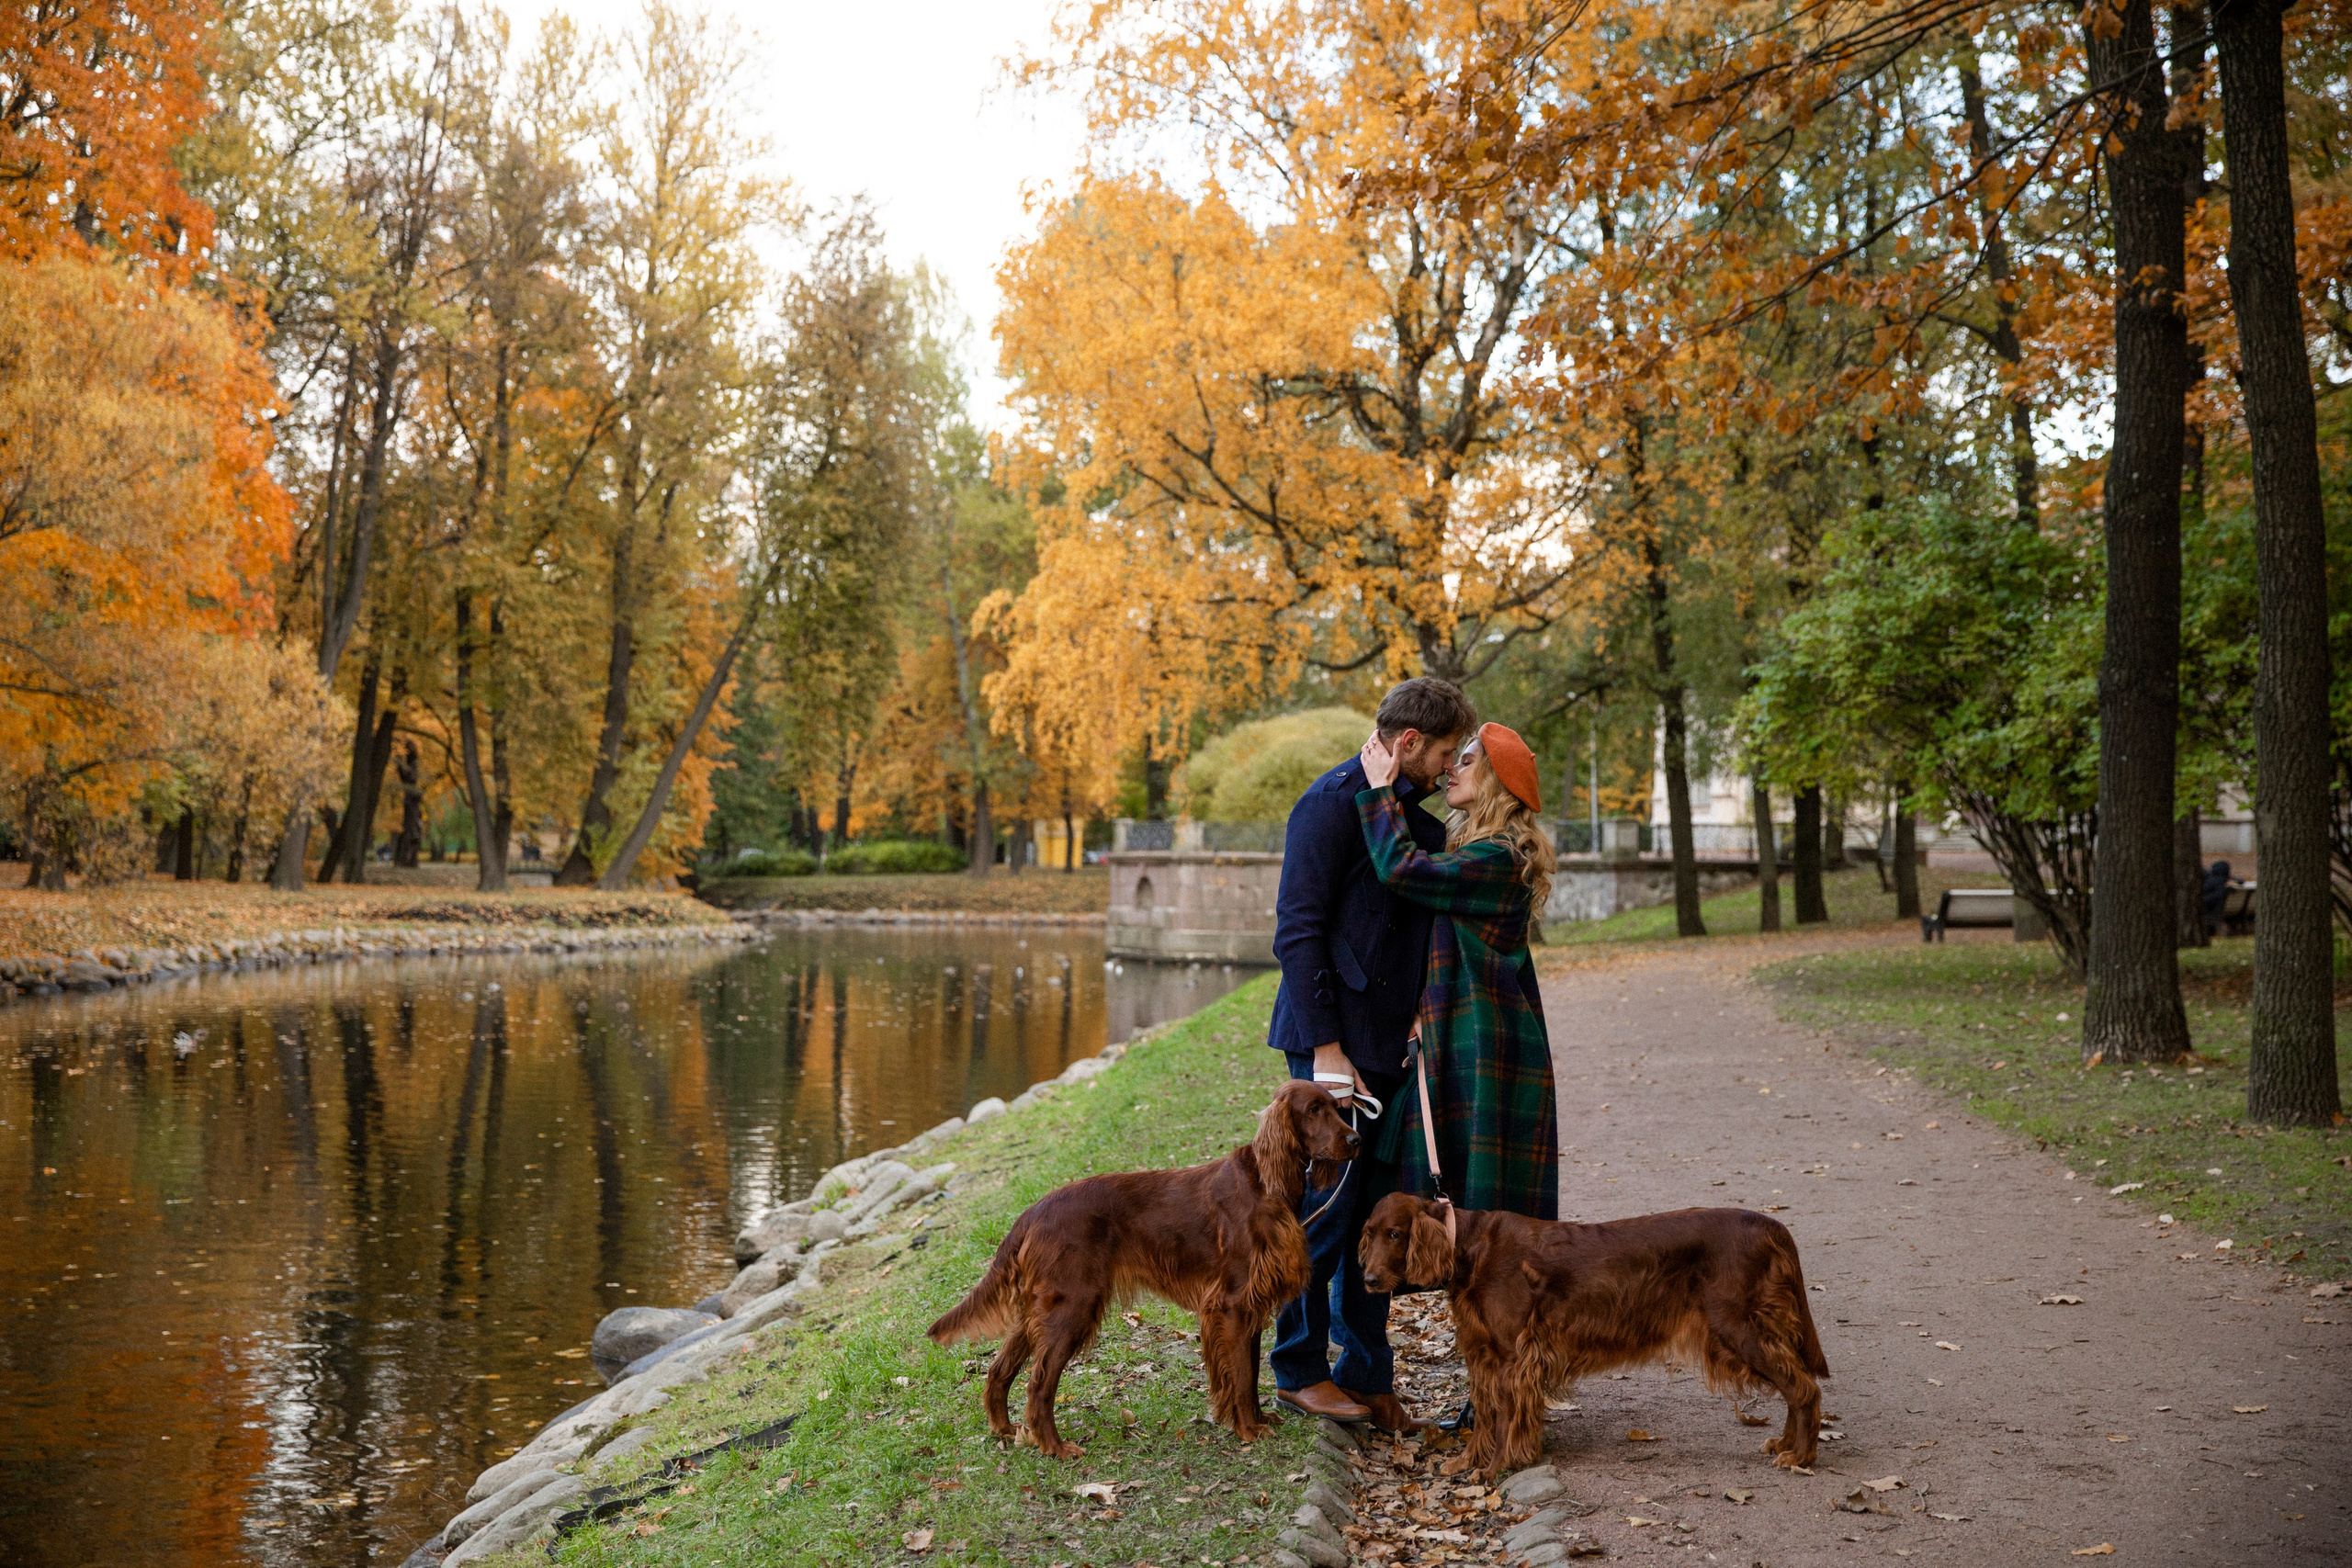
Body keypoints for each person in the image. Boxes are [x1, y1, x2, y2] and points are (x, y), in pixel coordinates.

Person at [1266, 676, 1478, 1431]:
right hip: (1329, 1054)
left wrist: (1421, 1021)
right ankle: (1297, 1371)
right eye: (1447, 753)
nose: (1451, 769)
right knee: (1321, 1218)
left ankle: (1366, 1376)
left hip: (1392, 1049)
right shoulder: (1327, 804)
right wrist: (1326, 1050)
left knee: (1375, 1220)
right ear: (1410, 742)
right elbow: (1296, 929)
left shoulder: (1409, 823)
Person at [1357, 721, 1559, 1224]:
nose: (1452, 767)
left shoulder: (1500, 858)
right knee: (1461, 1172)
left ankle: (1495, 1296)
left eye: (1466, 760)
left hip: (1485, 1036)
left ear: (1494, 780)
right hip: (1466, 1028)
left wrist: (1381, 792)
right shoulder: (1481, 850)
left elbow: (1403, 870)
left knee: (1484, 1196)